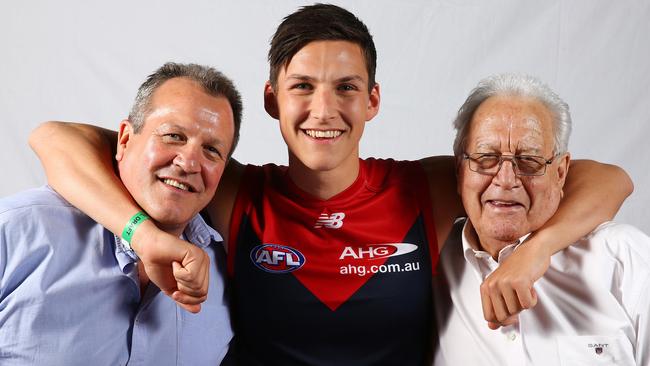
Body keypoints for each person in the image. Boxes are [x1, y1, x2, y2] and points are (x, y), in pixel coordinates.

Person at [29, 4, 632, 365]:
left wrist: (537, 250)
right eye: (302, 86)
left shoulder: (421, 187)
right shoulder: (238, 192)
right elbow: (56, 138)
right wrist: (143, 235)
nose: (325, 108)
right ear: (272, 100)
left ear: (372, 100)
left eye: (346, 87)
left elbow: (608, 179)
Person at [1, 62, 241, 365]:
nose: (189, 162)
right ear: (125, 139)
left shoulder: (230, 270)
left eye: (211, 150)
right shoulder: (15, 232)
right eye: (173, 136)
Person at [433, 73, 649, 365]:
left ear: (561, 173)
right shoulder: (427, 266)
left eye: (529, 161)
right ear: (460, 170)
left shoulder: (626, 257)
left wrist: (538, 248)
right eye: (486, 158)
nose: (506, 180)